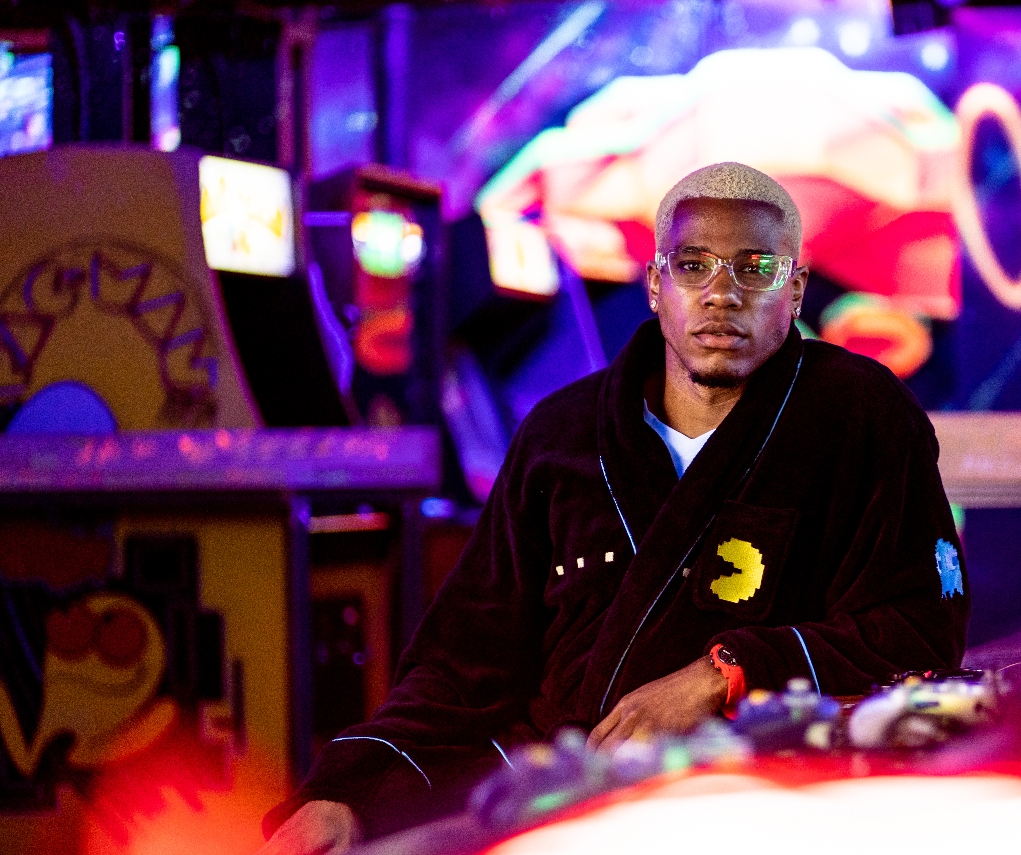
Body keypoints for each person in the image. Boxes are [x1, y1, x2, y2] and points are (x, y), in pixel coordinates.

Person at [260, 162, 969, 854]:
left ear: (795, 289)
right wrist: (344, 792)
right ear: (657, 285)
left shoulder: (860, 415)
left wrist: (723, 672)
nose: (722, 294)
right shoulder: (561, 433)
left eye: (755, 268)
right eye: (694, 266)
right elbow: (460, 659)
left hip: (766, 806)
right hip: (552, 799)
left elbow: (918, 630)